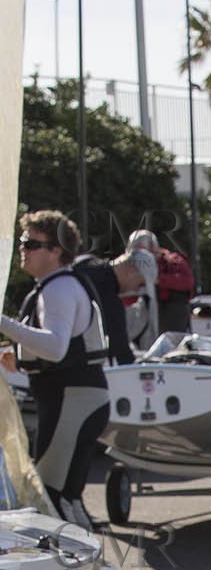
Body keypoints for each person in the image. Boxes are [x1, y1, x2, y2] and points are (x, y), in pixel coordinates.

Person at [0, 210, 110, 529]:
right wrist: (18, 358)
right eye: (22, 241)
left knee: (53, 497)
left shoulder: (58, 288)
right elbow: (57, 348)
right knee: (66, 498)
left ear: (57, 251)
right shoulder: (57, 286)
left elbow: (55, 347)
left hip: (71, 400)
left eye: (32, 243)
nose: (23, 248)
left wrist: (3, 323)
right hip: (76, 398)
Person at [128, 229, 195, 334]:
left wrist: (159, 280)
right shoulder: (130, 265)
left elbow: (187, 281)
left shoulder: (173, 261)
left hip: (171, 315)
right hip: (142, 315)